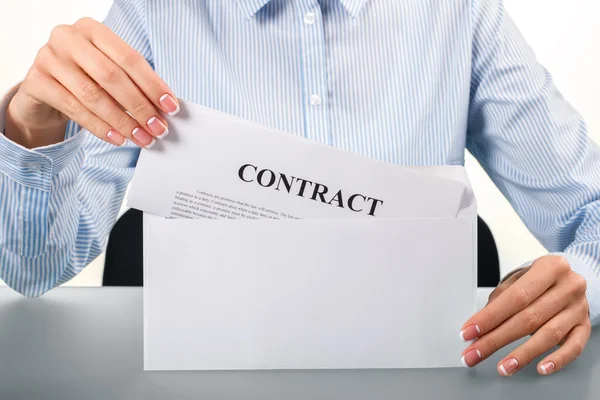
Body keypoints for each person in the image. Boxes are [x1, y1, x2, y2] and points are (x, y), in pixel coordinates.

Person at [0, 0, 598, 377]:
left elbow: (590, 208)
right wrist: (33, 128)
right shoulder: (155, 14)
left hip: (412, 381)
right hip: (202, 382)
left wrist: (579, 284)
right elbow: (35, 269)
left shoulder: (458, 13)